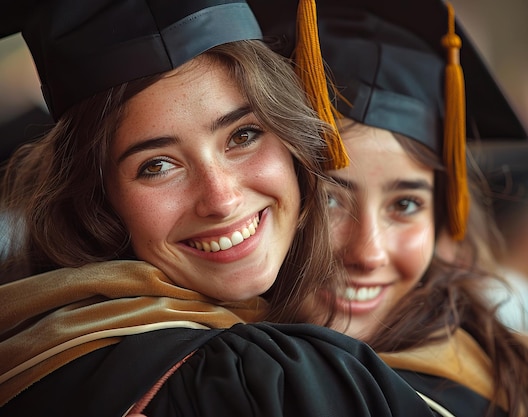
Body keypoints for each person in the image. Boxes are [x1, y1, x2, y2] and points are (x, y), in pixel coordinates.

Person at [0, 1, 438, 416]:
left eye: (243, 136)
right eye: (157, 165)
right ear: (96, 201)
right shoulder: (261, 381)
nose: (221, 199)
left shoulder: (37, 353)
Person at [250, 0, 528, 416]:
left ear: (441, 216)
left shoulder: (497, 391)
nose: (369, 252)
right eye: (329, 199)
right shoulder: (197, 362)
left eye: (406, 204)